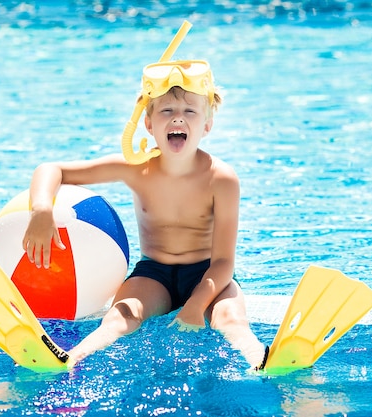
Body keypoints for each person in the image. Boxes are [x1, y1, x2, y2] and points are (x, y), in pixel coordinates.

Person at [22, 60, 268, 370]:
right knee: (121, 315)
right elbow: (51, 169)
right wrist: (42, 208)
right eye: (166, 111)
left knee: (230, 317)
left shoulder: (221, 178)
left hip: (208, 273)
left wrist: (195, 306)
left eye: (190, 111)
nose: (178, 118)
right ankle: (71, 358)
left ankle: (259, 359)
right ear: (148, 123)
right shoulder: (138, 170)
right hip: (155, 274)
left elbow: (223, 263)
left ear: (207, 124)